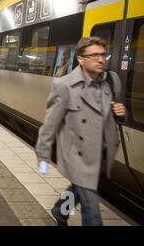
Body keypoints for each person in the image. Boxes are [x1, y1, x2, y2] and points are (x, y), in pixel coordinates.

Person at [35, 36, 126, 226]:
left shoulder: (111, 80)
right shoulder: (64, 85)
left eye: (103, 55)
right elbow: (51, 123)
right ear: (80, 59)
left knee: (79, 188)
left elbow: (112, 113)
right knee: (92, 209)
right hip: (76, 153)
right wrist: (42, 154)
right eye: (94, 55)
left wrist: (120, 114)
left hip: (101, 151)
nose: (100, 60)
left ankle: (60, 210)